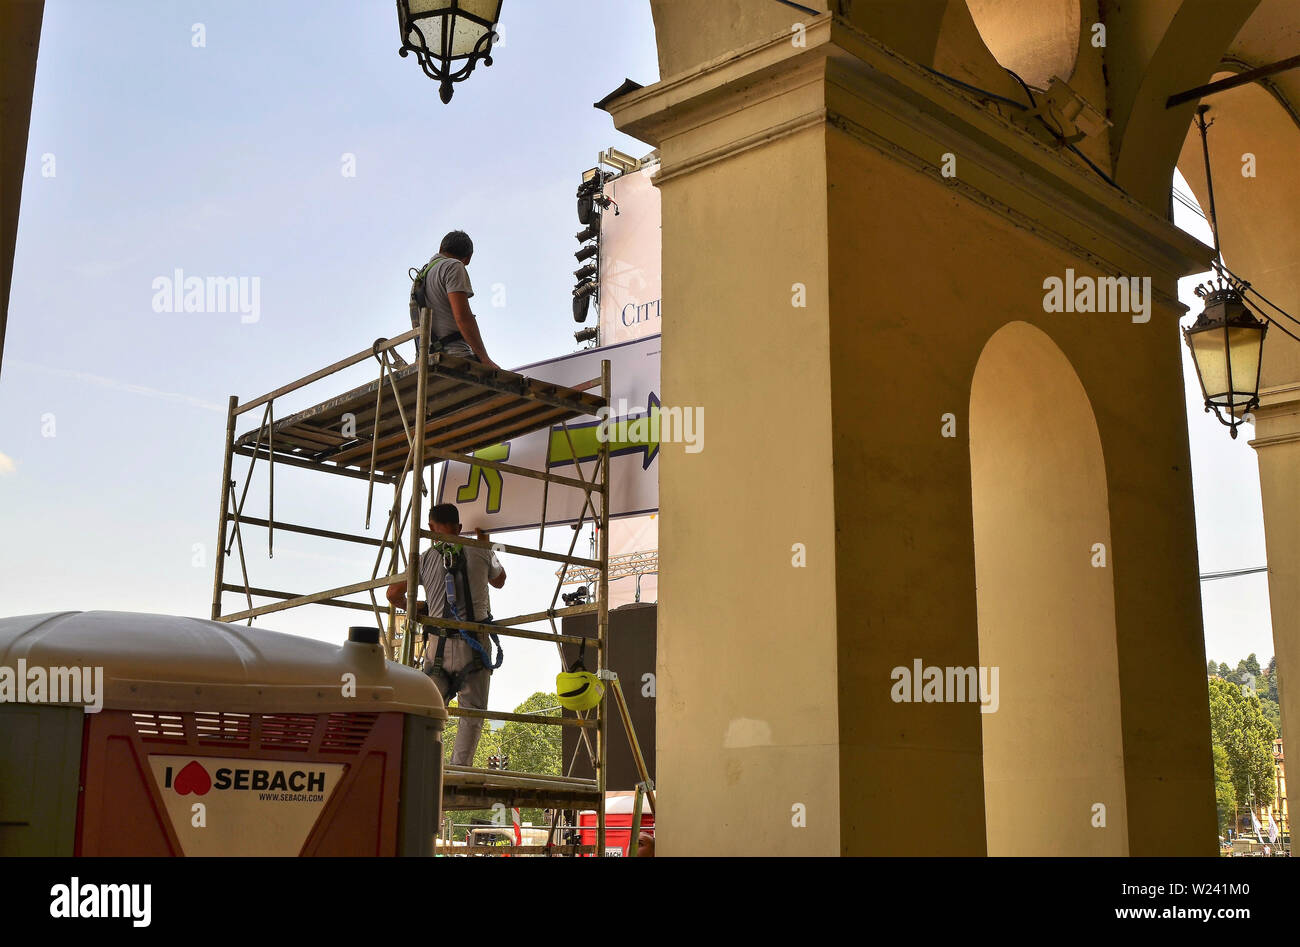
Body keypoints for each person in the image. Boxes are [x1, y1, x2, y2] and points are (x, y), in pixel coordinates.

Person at [387, 503, 506, 765]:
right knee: (472, 713)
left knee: (428, 709)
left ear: (430, 528)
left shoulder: (425, 557)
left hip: (437, 644)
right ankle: (458, 770)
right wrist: (487, 545)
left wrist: (422, 607)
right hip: (474, 644)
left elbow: (393, 594)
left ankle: (420, 766)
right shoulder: (482, 550)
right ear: (459, 527)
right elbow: (500, 580)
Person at [410, 230, 500, 369]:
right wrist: (485, 359)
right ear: (468, 259)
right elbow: (463, 317)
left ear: (441, 248)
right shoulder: (453, 266)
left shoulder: (420, 277)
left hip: (426, 358)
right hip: (455, 356)